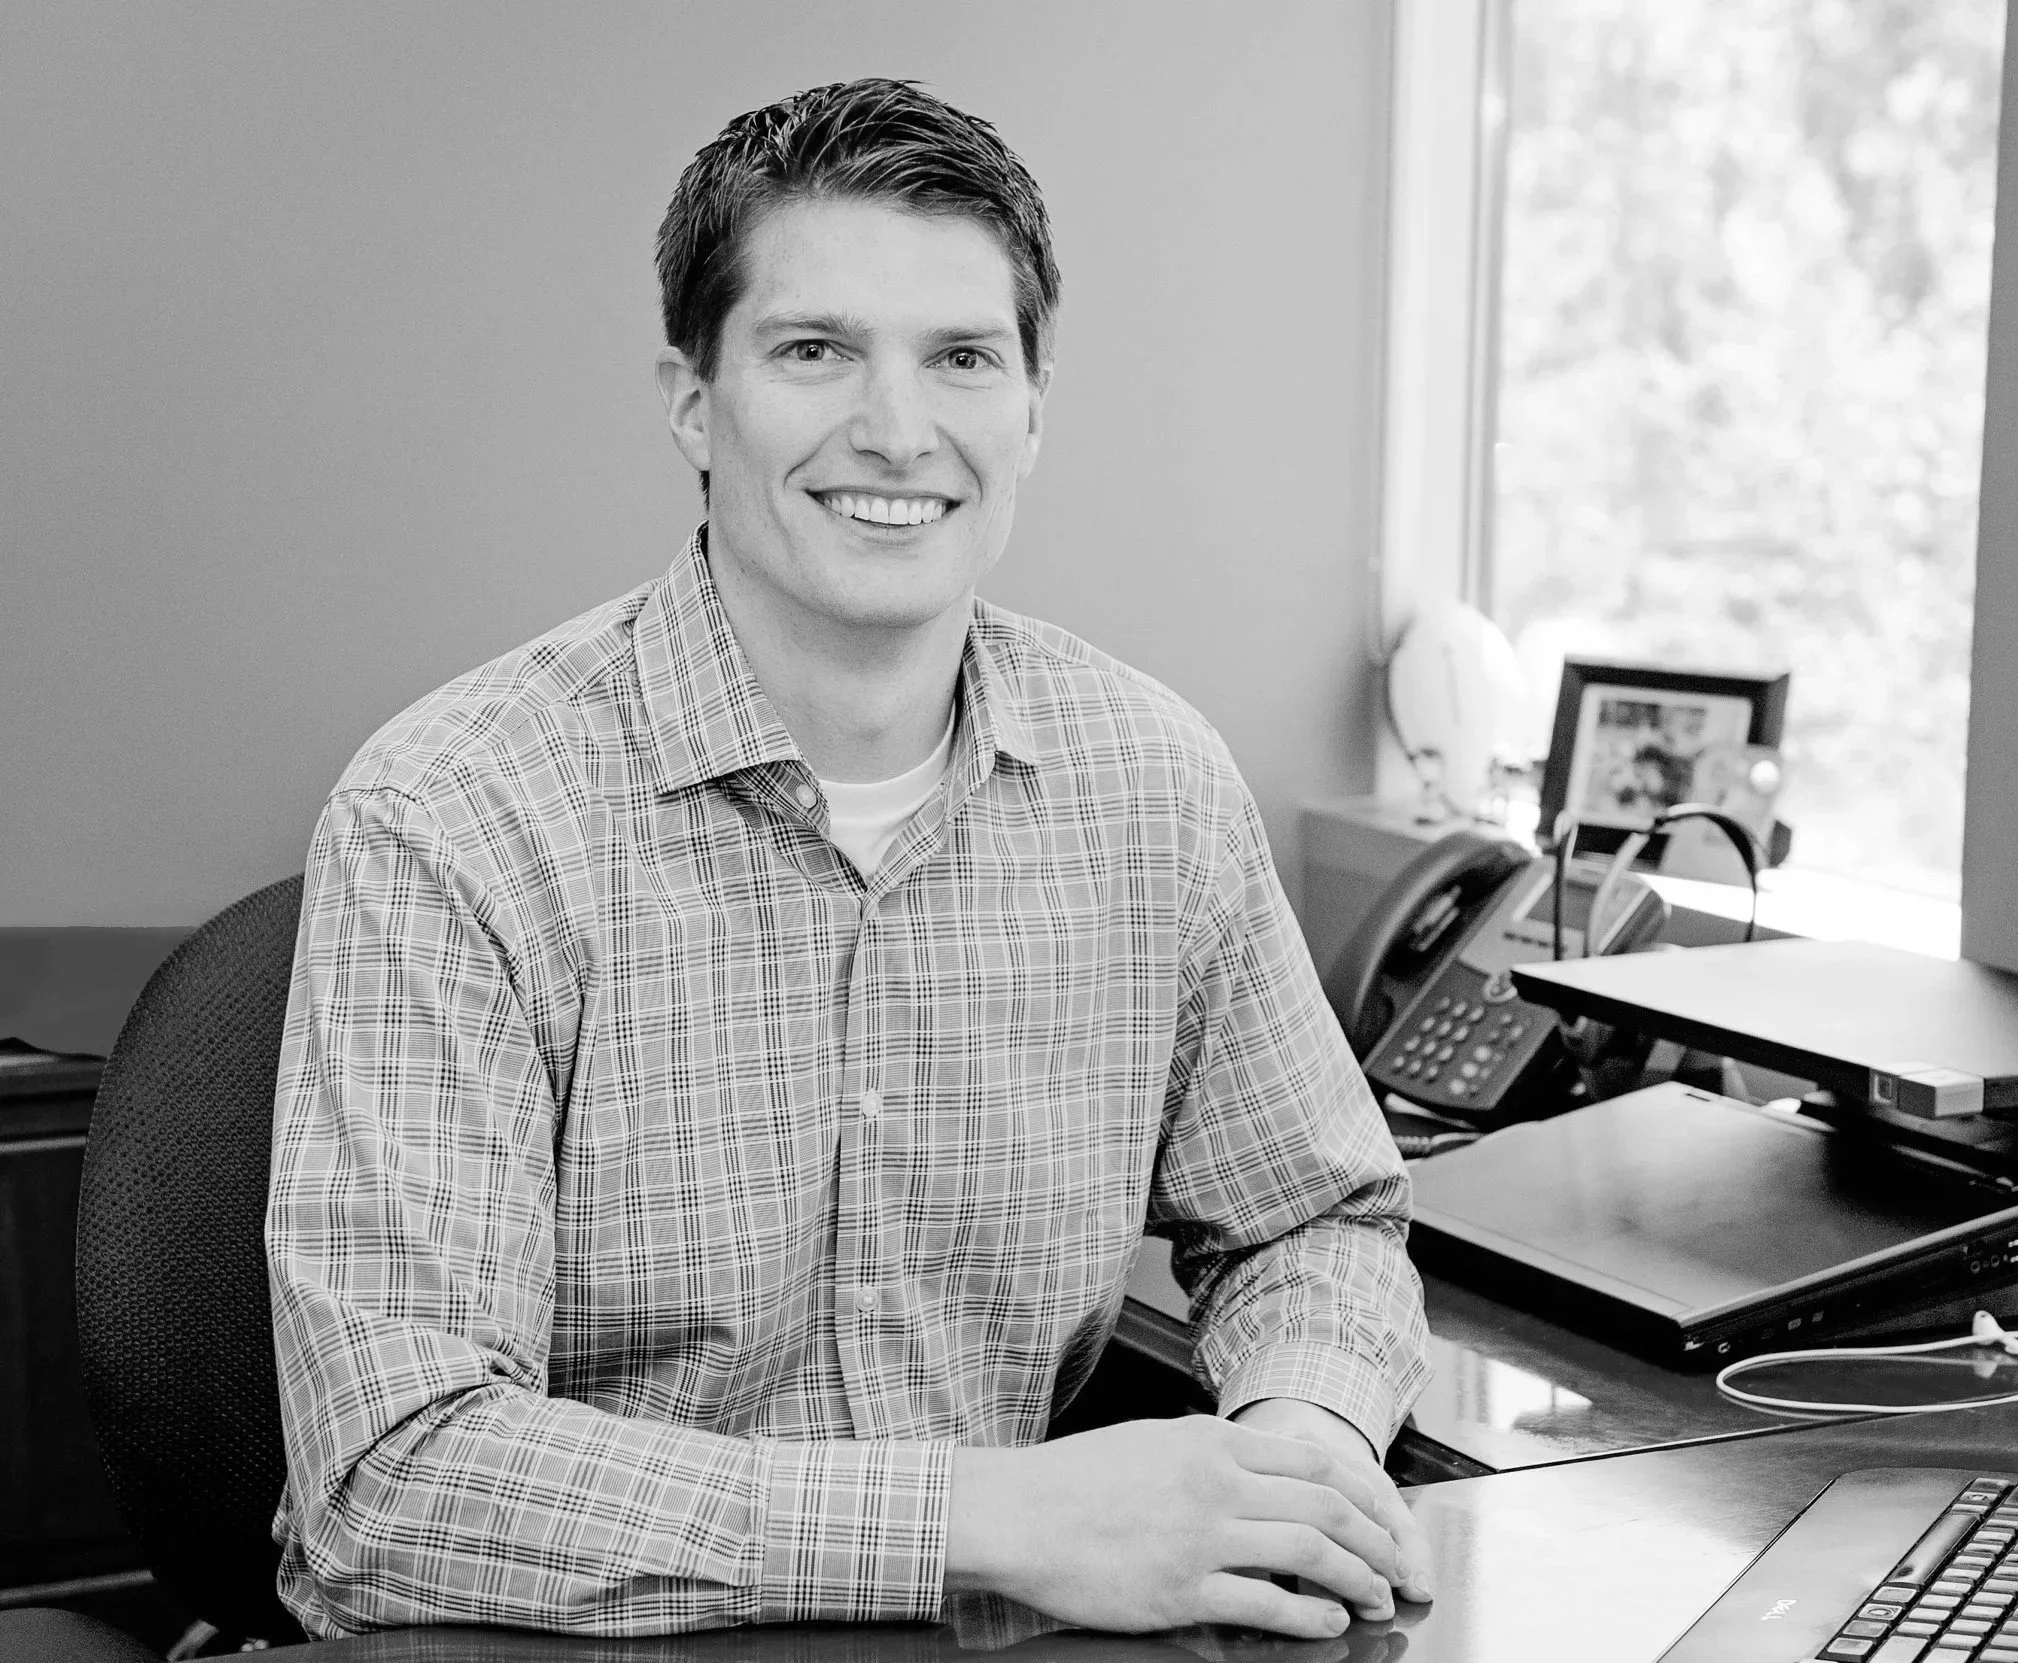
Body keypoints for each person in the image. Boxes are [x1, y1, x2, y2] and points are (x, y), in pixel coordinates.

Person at [267, 77, 1432, 1643]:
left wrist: (1297, 1441)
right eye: (815, 350)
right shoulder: (452, 813)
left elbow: (1313, 1217)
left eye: (961, 357)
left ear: (1032, 410)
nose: (897, 429)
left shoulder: (1152, 785)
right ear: (695, 401)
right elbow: (390, 1481)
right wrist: (987, 1515)